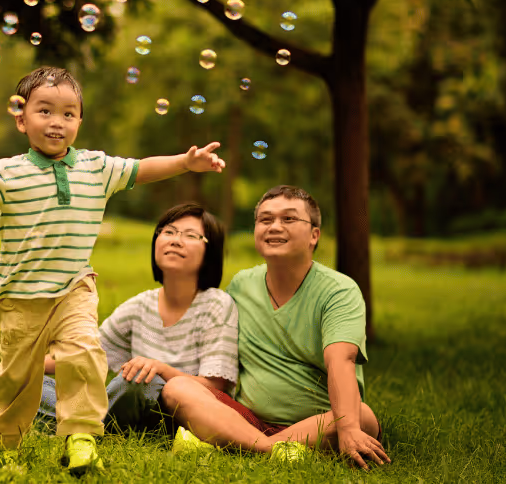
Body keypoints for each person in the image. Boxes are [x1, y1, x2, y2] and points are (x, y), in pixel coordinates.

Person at [0, 66, 226, 475]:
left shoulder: (97, 169)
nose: (57, 122)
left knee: (84, 353)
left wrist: (185, 162)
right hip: (20, 296)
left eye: (69, 114)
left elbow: (142, 168)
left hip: (74, 289)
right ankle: (5, 445)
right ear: (21, 118)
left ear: (80, 122)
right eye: (45, 111)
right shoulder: (7, 173)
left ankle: (81, 437)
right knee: (18, 380)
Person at [161, 185, 391, 471]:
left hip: (317, 422)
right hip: (244, 417)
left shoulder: (339, 291)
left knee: (362, 418)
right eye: (265, 219)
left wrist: (348, 429)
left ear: (314, 235)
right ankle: (271, 449)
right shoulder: (241, 285)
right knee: (177, 389)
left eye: (289, 219)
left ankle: (236, 444)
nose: (274, 227)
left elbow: (340, 362)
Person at [37, 203, 238, 435]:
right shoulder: (140, 305)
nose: (175, 240)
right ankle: (93, 428)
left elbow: (215, 389)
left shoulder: (217, 305)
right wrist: (28, 366)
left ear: (210, 252)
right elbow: (87, 355)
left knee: (137, 381)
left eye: (191, 235)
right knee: (37, 386)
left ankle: (81, 426)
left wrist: (160, 369)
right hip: (128, 412)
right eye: (169, 232)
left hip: (178, 417)